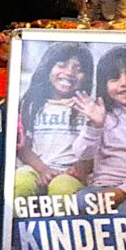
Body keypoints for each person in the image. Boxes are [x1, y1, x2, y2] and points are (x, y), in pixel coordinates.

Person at [71, 46, 126, 215]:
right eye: (114, 78)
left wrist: (122, 192)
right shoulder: (101, 113)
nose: (124, 83)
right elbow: (82, 154)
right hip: (100, 189)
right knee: (79, 203)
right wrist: (94, 126)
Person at [14, 43, 93, 198]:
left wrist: (80, 168)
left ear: (87, 76)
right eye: (61, 65)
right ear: (47, 69)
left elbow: (97, 150)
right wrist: (43, 170)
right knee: (21, 180)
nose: (69, 72)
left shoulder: (90, 107)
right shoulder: (31, 104)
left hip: (71, 174)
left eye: (79, 69)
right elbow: (23, 147)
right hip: (35, 168)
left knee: (62, 188)